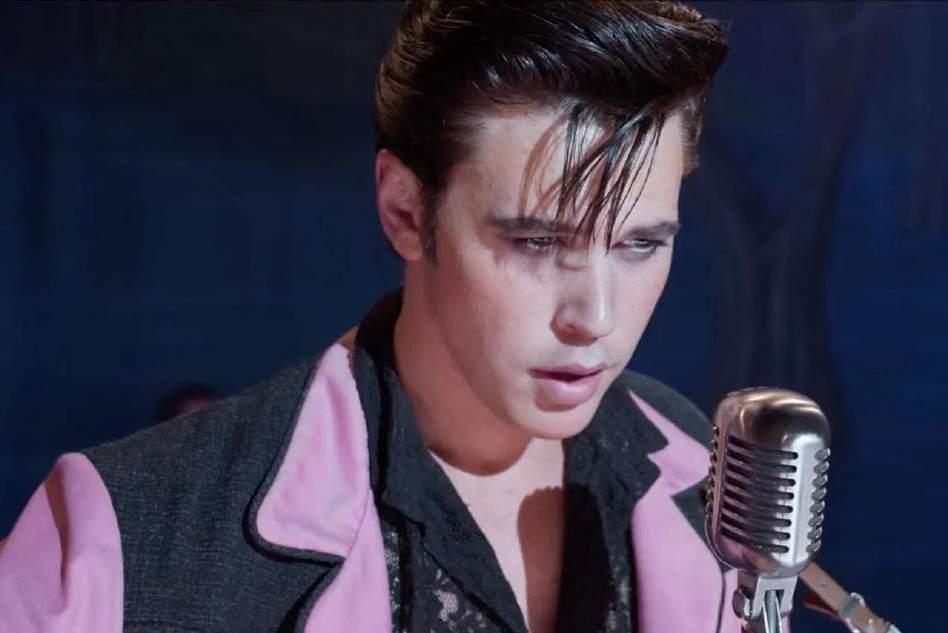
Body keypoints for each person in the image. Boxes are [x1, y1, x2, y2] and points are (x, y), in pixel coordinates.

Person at [0, 2, 734, 632]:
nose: (595, 316)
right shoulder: (126, 539)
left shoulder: (697, 467)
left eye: (640, 245)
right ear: (405, 212)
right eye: (536, 243)